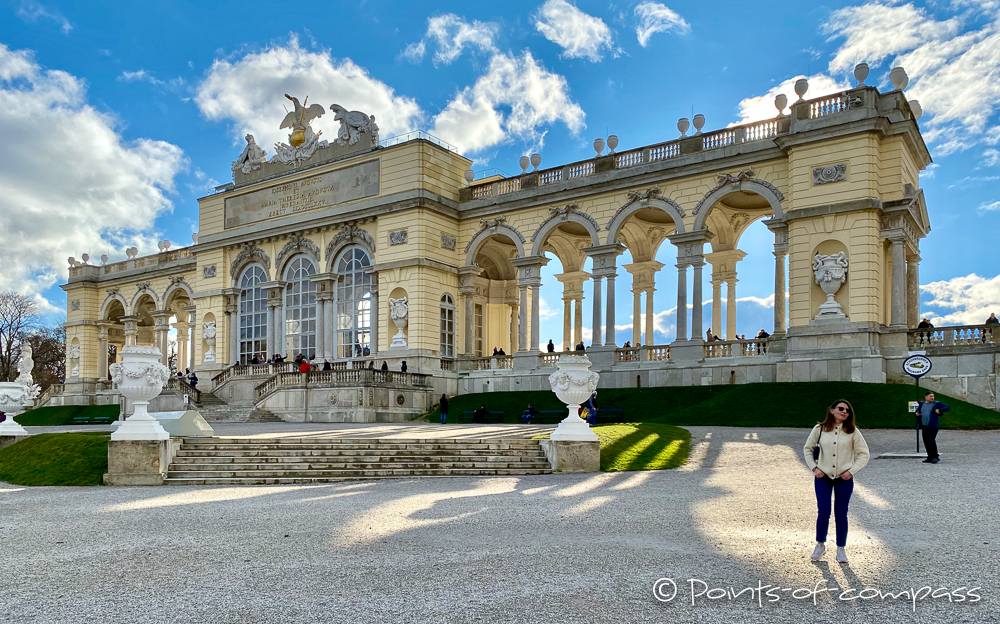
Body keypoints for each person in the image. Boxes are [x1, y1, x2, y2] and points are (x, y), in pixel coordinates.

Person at [803, 399, 870, 563]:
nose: (845, 412)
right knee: (824, 511)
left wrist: (852, 471)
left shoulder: (853, 431)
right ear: (832, 410)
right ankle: (820, 545)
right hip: (823, 476)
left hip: (844, 478)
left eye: (848, 410)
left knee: (841, 514)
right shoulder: (819, 429)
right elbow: (807, 449)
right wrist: (814, 467)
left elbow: (864, 454)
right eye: (841, 408)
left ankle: (841, 548)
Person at [917, 391, 950, 464]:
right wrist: (917, 413)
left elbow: (947, 407)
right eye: (930, 396)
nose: (932, 398)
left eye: (933, 396)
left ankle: (935, 457)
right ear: (926, 397)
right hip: (924, 425)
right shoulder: (922, 404)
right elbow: (918, 410)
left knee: (931, 440)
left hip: (933, 425)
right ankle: (929, 456)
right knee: (926, 441)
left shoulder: (936, 404)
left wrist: (939, 410)